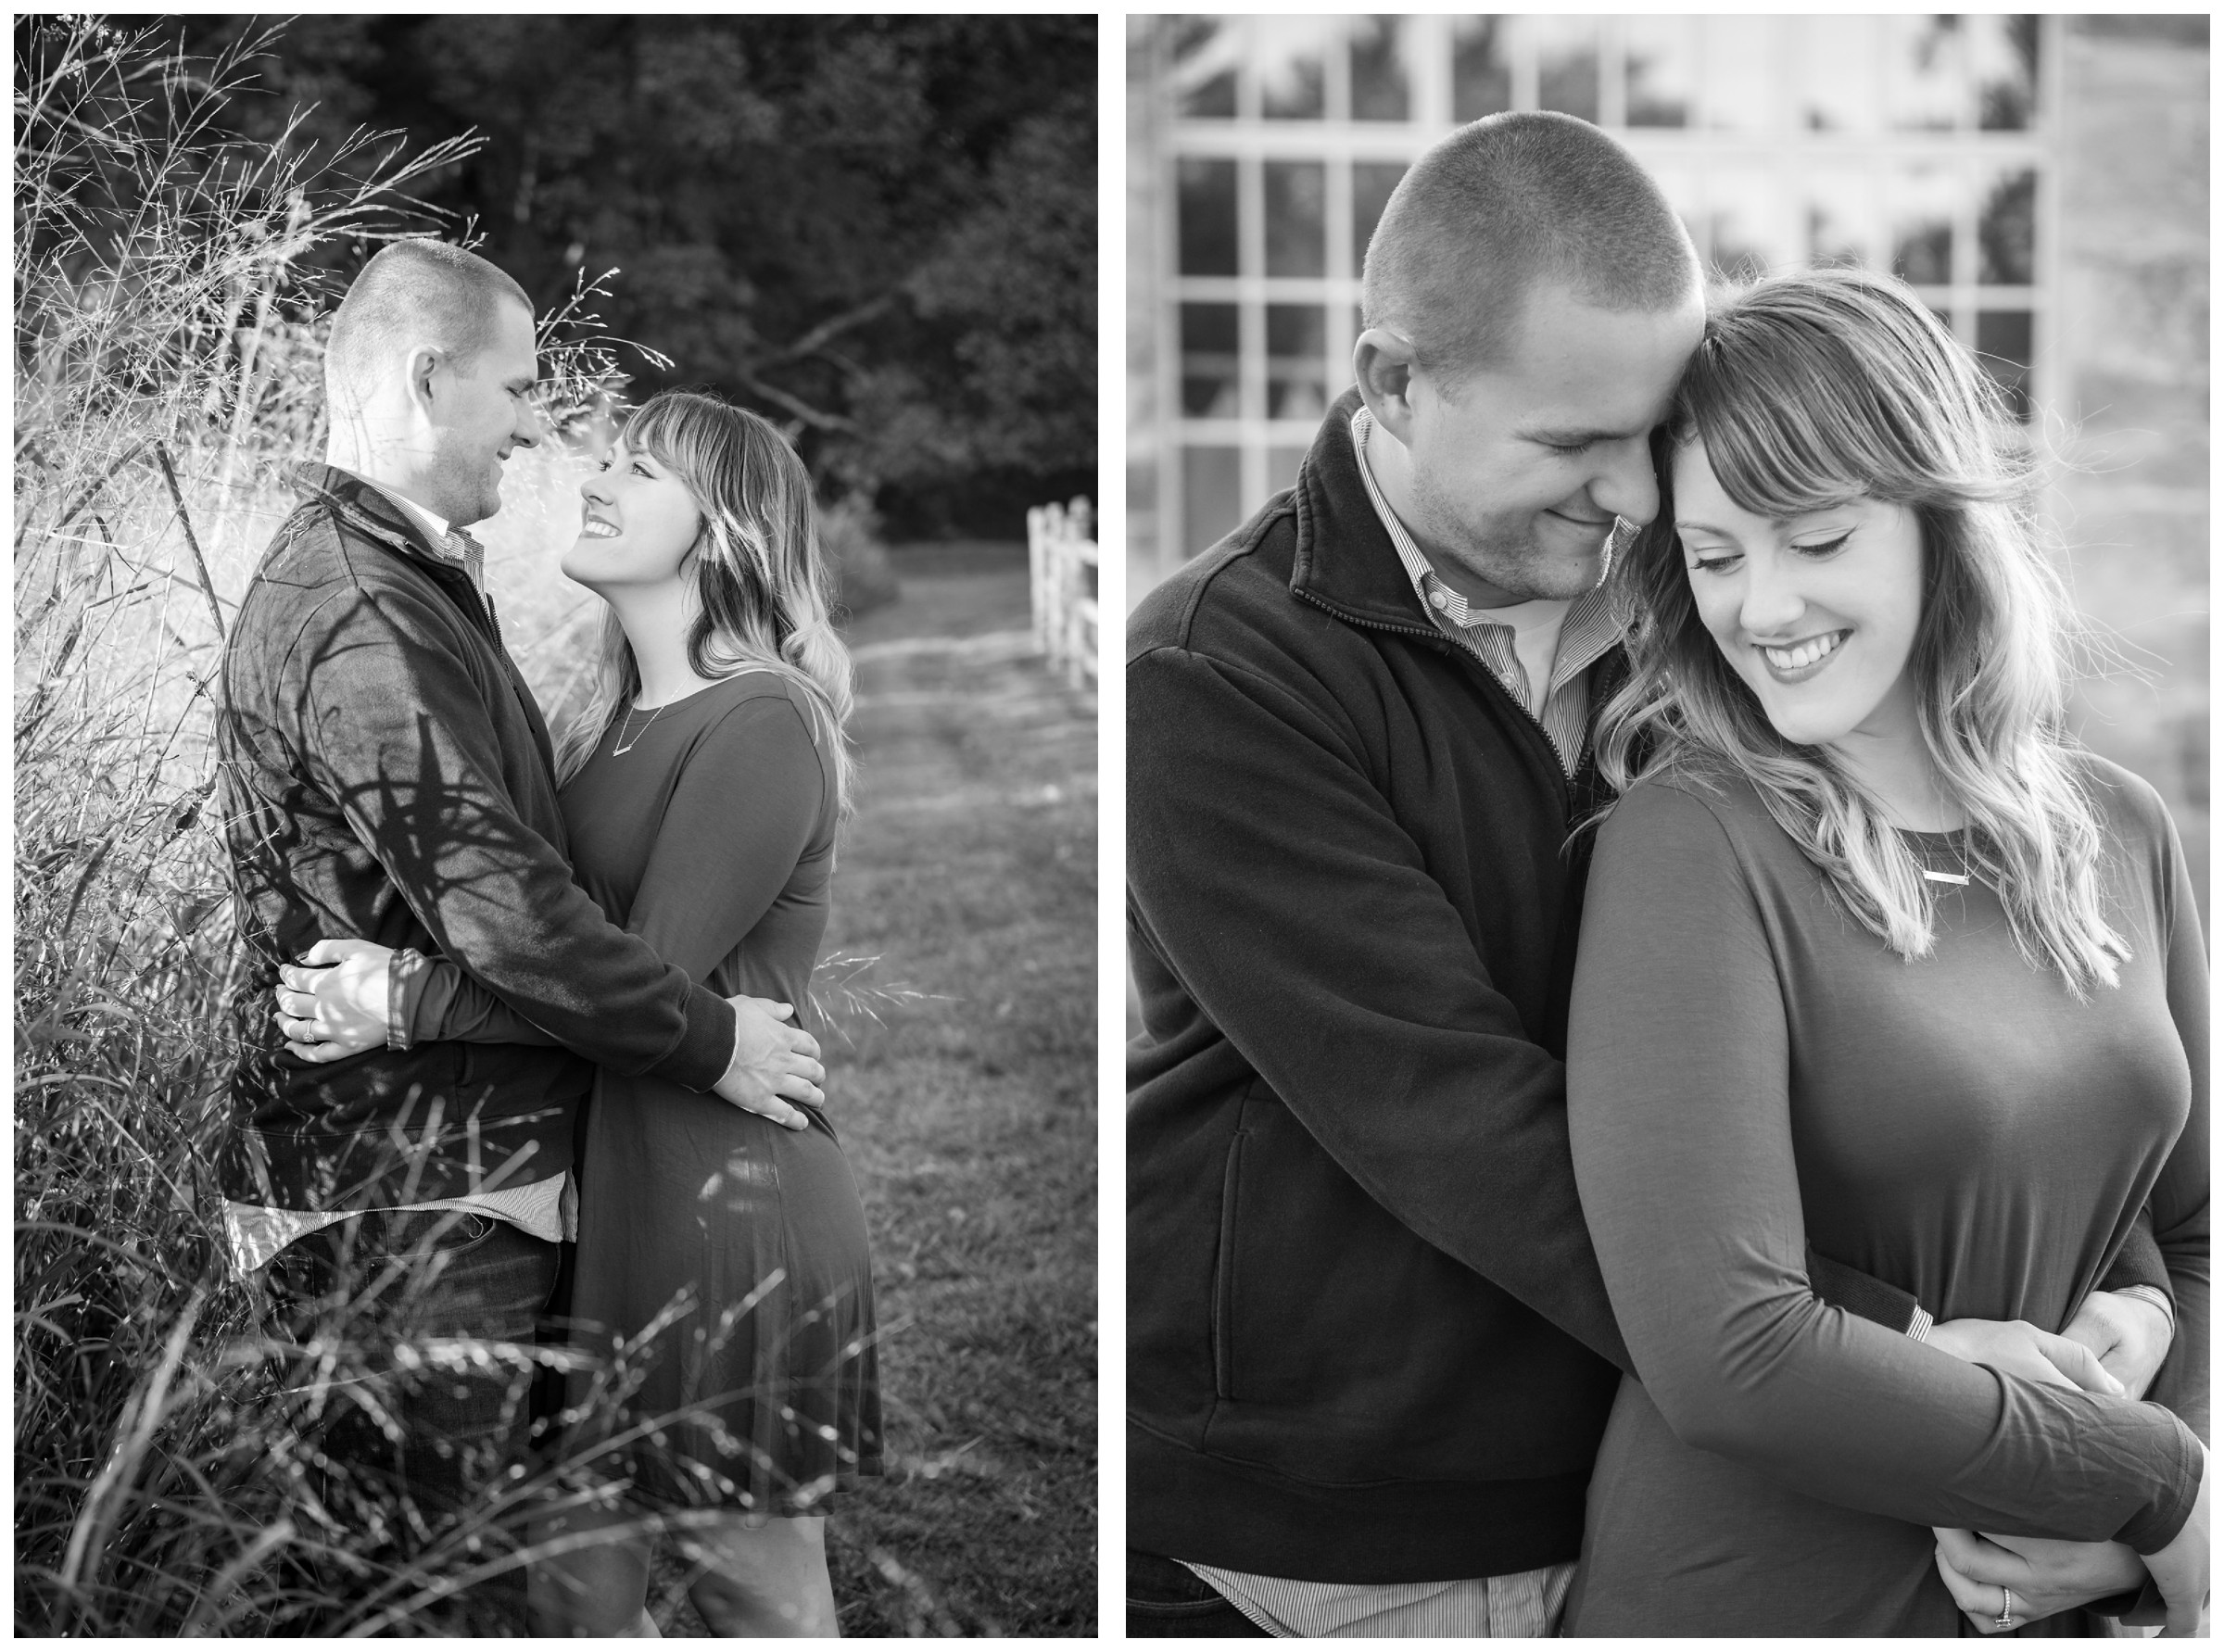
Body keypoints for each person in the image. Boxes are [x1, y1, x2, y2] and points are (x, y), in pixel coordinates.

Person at [1124, 110, 2179, 1638]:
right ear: (1395, 385)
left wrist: (2119, 1300)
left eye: (1650, 437)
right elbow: (1458, 1117)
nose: (1634, 502)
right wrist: (1907, 1350)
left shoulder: (1695, 618)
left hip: (1678, 1444)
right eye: (1570, 444)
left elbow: (1971, 1029)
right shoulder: (1221, 674)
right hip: (1353, 1512)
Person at [1562, 266, 2208, 1635]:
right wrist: (2160, 1494)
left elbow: (2203, 1235)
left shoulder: (2121, 828)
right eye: (1717, 555)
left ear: (1934, 521)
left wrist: (2133, 1508)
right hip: (1760, 1598)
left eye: (1815, 538)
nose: (1766, 609)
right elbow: (1730, 1351)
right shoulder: (1693, 843)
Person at [216, 240, 825, 1619]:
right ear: (430, 382)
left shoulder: (409, 579)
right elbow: (511, 912)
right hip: (404, 1188)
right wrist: (709, 1038)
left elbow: (533, 908)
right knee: (415, 1596)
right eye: (518, 388)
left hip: (466, 1174)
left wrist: (412, 997)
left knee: (493, 1579)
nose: (543, 427)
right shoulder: (367, 603)